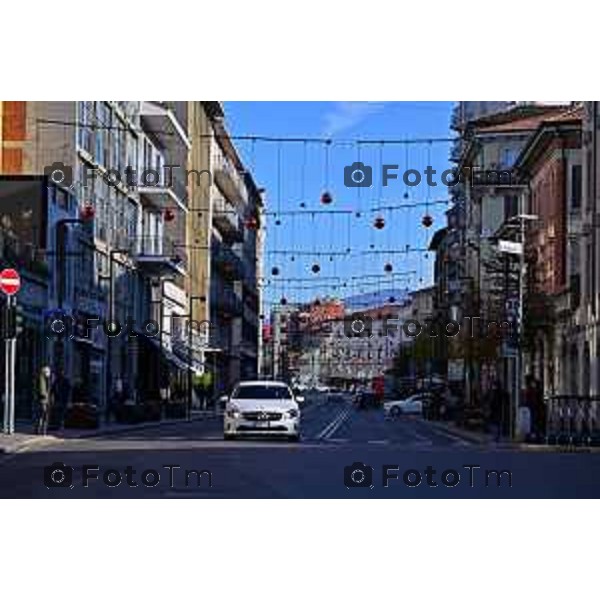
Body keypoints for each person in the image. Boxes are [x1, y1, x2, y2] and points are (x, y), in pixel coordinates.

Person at [35, 365, 53, 435]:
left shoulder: (44, 379)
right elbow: (42, 391)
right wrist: (46, 396)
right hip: (43, 401)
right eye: (48, 372)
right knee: (43, 415)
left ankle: (42, 430)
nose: (49, 374)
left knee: (42, 415)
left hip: (44, 400)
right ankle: (41, 430)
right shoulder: (42, 379)